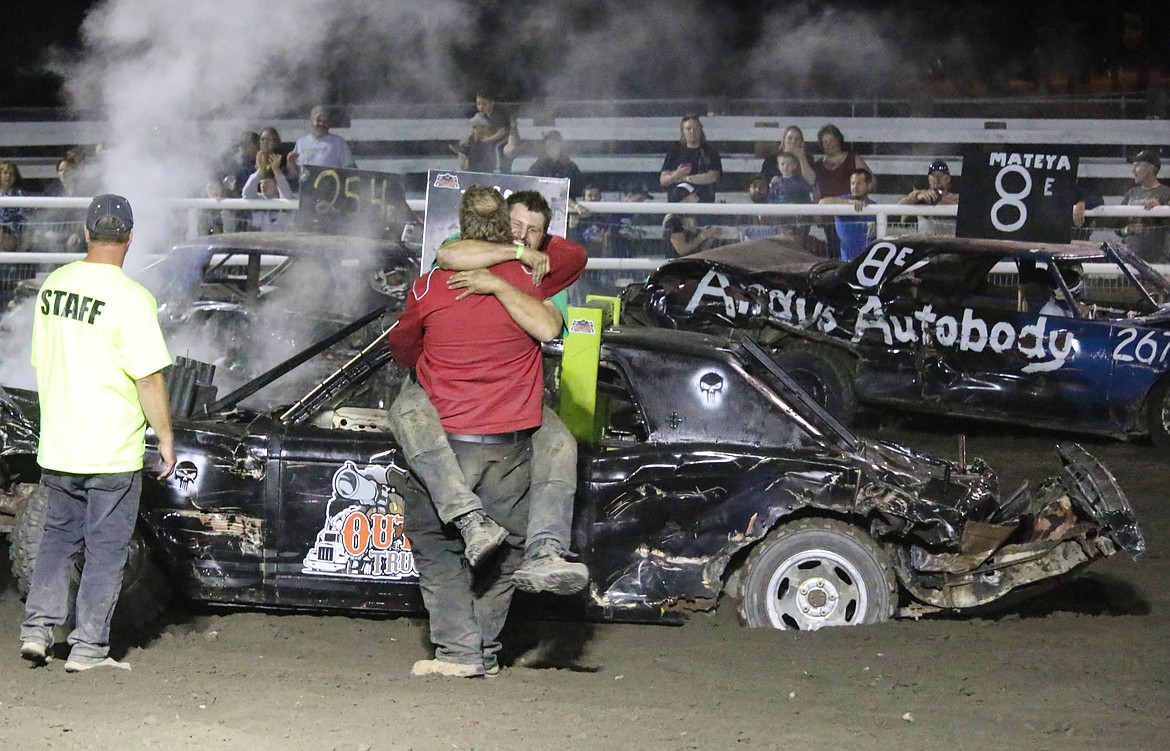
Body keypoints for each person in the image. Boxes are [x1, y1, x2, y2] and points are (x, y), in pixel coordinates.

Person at [388, 187, 586, 678]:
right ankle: (487, 651)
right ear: (504, 226)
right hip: (512, 446)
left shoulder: (429, 285)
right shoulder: (531, 279)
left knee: (438, 554)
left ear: (460, 225)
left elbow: (403, 347)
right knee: (508, 555)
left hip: (448, 442)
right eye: (516, 227)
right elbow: (571, 261)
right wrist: (520, 256)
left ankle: (459, 654)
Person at [19, 194, 177, 672]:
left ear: (86, 233)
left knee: (56, 540)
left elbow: (41, 361)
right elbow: (148, 378)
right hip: (111, 451)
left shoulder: (54, 285)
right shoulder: (133, 299)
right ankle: (87, 649)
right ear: (130, 237)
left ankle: (36, 630)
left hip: (60, 444)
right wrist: (165, 436)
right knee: (106, 550)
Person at [1120, 149, 1170, 262]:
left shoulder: (1166, 194)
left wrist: (1160, 211)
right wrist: (1129, 229)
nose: (1133, 170)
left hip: (1158, 263)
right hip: (1129, 260)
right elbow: (1117, 227)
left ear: (1150, 169)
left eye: (1137, 166)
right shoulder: (1131, 194)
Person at [660, 115, 722, 203]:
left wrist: (685, 178)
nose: (692, 131)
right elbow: (663, 180)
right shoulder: (674, 151)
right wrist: (677, 174)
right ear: (683, 131)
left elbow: (713, 176)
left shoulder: (709, 152)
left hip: (702, 199)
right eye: (688, 129)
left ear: (701, 129)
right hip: (677, 200)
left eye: (696, 128)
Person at [286, 106, 357, 184]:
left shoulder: (338, 143)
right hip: (306, 192)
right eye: (319, 120)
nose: (322, 124)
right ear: (311, 121)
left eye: (325, 121)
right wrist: (290, 162)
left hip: (331, 191)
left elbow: (351, 170)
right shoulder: (301, 143)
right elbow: (293, 175)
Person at [819, 168, 876, 261]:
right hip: (846, 262)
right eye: (853, 183)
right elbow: (822, 203)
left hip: (869, 261)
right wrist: (848, 202)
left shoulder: (874, 207)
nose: (855, 187)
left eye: (859, 183)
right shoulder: (843, 201)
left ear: (868, 185)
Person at [896, 160, 960, 235]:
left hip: (949, 242)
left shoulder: (954, 198)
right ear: (929, 179)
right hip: (926, 242)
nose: (936, 179)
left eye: (940, 175)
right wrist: (917, 197)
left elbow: (960, 205)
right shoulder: (921, 196)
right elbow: (899, 204)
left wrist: (937, 199)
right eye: (933, 175)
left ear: (948, 178)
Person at [767, 152, 815, 244]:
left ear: (794, 165)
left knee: (798, 241)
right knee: (782, 241)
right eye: (782, 164)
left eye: (789, 164)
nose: (785, 166)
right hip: (781, 217)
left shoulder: (800, 181)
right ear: (778, 166)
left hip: (798, 217)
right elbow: (771, 198)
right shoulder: (776, 183)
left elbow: (806, 196)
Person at [663, 183, 717, 255]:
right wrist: (702, 236)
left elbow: (698, 251)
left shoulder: (689, 216)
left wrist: (710, 236)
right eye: (694, 195)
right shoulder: (673, 220)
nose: (698, 198)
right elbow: (681, 250)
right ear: (685, 200)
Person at [526, 130, 585, 197]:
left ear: (561, 147)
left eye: (554, 146)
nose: (551, 149)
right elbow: (528, 185)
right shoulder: (538, 167)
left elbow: (580, 188)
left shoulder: (570, 167)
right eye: (548, 147)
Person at [761, 125, 816, 190]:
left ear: (801, 142)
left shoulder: (807, 159)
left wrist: (802, 157)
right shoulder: (771, 160)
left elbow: (811, 181)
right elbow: (763, 182)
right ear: (784, 141)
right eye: (790, 138)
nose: (793, 141)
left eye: (797, 139)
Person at [241, 166, 295, 232]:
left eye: (266, 182)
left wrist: (277, 172)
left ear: (277, 185)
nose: (263, 186)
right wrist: (260, 170)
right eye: (261, 183)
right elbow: (246, 194)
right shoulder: (258, 199)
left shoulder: (285, 200)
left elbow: (288, 199)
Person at [0, 161, 29, 251]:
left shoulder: (20, 194)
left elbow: (24, 216)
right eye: (5, 173)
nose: (8, 176)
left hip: (14, 233)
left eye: (11, 174)